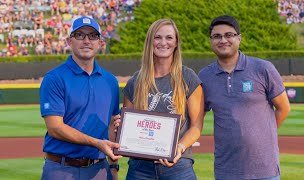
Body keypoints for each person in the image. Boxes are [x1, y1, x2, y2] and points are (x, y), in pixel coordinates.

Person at [198, 15, 291, 180]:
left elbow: (284, 108)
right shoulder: (205, 76)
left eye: (229, 35)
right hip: (226, 170)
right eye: (217, 36)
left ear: (239, 38)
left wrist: (262, 134)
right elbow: (196, 117)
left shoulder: (263, 68)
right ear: (211, 41)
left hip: (265, 170)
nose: (223, 40)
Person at [115, 19, 204, 179]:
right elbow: (128, 126)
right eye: (158, 37)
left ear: (176, 42)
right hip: (140, 168)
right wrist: (121, 127)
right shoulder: (136, 81)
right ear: (150, 41)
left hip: (178, 164)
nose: (163, 42)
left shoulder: (188, 77)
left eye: (169, 38)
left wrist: (179, 148)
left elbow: (196, 126)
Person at [39, 16, 122, 180]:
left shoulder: (110, 81)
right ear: (70, 41)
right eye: (80, 35)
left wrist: (113, 166)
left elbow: (113, 123)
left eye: (92, 36)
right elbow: (55, 128)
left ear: (100, 42)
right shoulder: (55, 78)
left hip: (99, 169)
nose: (86, 41)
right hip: (61, 169)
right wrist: (97, 143)